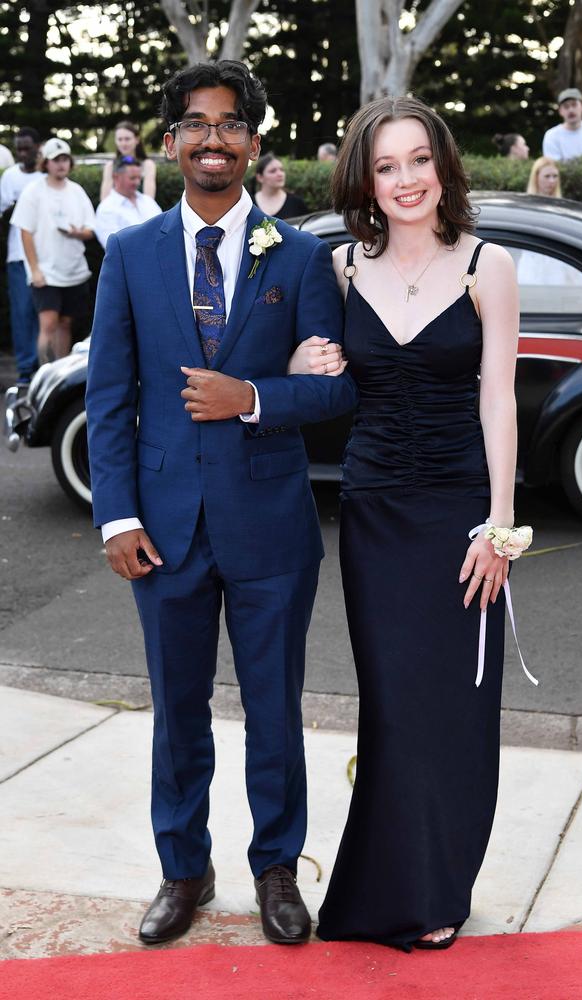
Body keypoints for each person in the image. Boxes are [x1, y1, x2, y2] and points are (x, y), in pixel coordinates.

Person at [85, 59, 357, 949]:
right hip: (162, 531)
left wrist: (254, 396)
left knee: (274, 709)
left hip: (271, 529)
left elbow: (334, 393)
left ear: (253, 140)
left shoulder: (302, 255)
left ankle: (276, 869)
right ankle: (183, 870)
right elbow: (110, 396)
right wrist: (117, 517)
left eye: (231, 123)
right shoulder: (129, 254)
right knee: (179, 709)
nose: (214, 138)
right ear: (171, 143)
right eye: (196, 124)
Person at [291, 96, 534, 952]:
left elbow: (496, 397)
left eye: (418, 161)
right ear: (365, 177)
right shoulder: (343, 268)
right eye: (386, 165)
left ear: (444, 166)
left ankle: (438, 888)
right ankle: (380, 889)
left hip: (457, 512)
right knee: (393, 706)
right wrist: (301, 359)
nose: (405, 180)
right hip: (373, 512)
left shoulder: (486, 266)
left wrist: (498, 525)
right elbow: (316, 374)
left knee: (455, 707)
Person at [11, 137, 95, 364]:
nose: (61, 164)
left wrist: (79, 233)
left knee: (66, 324)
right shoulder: (33, 191)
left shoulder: (77, 191)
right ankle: (43, 377)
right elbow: (25, 231)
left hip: (73, 271)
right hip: (46, 273)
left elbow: (90, 229)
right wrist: (35, 270)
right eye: (56, 159)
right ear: (45, 163)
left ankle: (59, 377)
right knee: (48, 323)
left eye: (65, 159)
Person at [0, 127, 41, 385]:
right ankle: (26, 372)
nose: (22, 153)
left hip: (47, 254)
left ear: (37, 146)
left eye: (27, 147)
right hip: (18, 256)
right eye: (19, 148)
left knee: (46, 315)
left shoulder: (44, 175)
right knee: (22, 314)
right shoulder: (10, 177)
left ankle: (44, 370)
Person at [94, 155, 162, 249]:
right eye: (132, 178)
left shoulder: (148, 202)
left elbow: (164, 231)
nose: (137, 182)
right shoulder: (106, 208)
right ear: (116, 177)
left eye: (139, 178)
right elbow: (113, 247)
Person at [542, 88, 582, 161]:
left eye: (574, 104)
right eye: (566, 106)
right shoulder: (551, 135)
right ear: (560, 111)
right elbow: (552, 168)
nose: (570, 110)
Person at [100, 120, 156, 200]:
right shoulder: (110, 166)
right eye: (120, 139)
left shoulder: (148, 165)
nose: (123, 143)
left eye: (127, 139)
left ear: (137, 140)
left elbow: (149, 199)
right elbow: (104, 200)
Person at [253, 153, 308, 219]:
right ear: (260, 177)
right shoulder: (249, 203)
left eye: (282, 170)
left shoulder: (296, 203)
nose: (280, 174)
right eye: (273, 171)